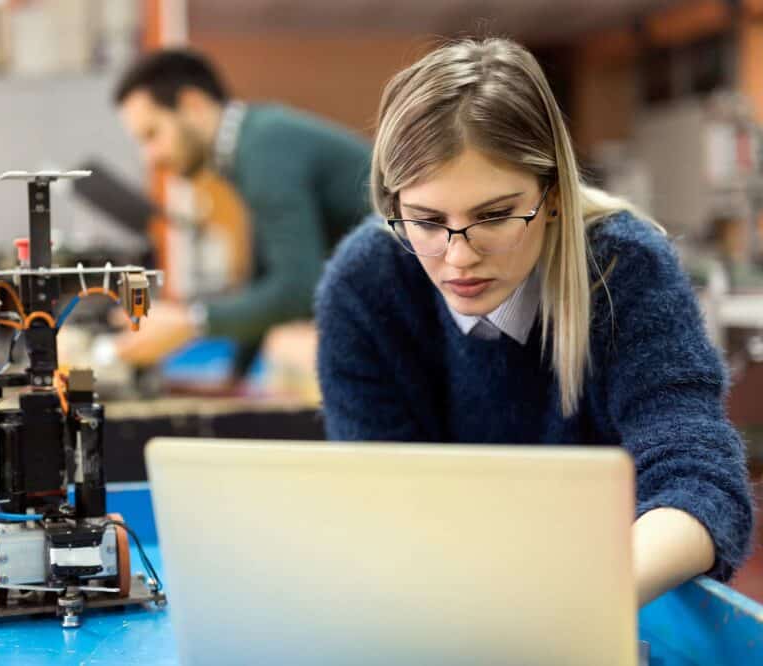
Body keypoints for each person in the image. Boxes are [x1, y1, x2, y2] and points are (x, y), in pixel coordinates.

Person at [315, 37, 754, 606]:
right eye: (425, 221)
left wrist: (577, 605)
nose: (459, 256)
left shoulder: (624, 269)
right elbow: (384, 503)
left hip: (606, 593)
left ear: (553, 197)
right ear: (393, 206)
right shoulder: (364, 287)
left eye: (495, 216)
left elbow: (700, 478)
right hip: (438, 598)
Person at [112, 49, 372, 376]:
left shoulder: (264, 149)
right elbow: (265, 275)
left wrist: (191, 322)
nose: (149, 158)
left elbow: (298, 288)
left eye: (152, 134)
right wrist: (233, 378)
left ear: (192, 104)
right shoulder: (254, 141)